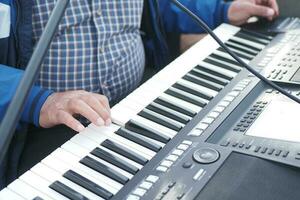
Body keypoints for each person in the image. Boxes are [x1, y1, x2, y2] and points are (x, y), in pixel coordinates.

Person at [0, 0, 279, 188]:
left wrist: (222, 10)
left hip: (138, 102)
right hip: (40, 127)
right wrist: (40, 101)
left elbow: (160, 9)